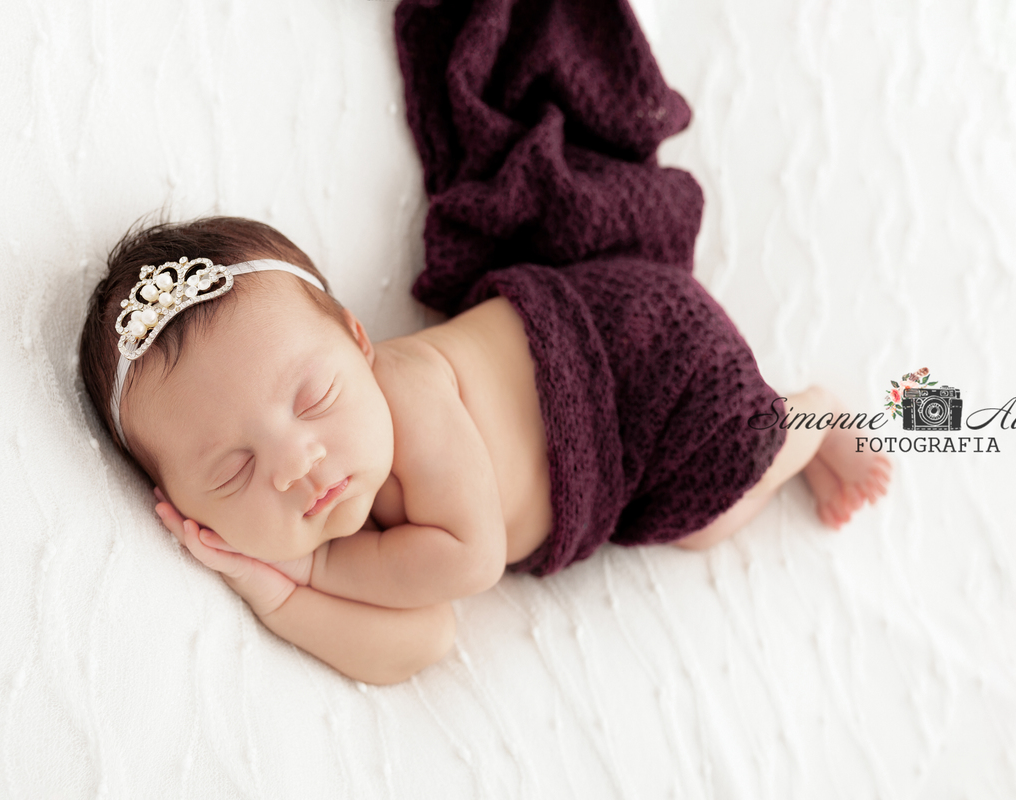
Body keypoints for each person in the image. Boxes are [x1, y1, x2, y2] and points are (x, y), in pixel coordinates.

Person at [78, 215, 890, 685]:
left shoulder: (406, 390)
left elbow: (471, 560)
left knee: (707, 524)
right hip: (598, 454)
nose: (297, 463)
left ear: (359, 343)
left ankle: (812, 417)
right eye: (232, 471)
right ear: (182, 506)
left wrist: (317, 569)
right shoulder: (333, 512)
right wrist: (273, 594)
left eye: (314, 397)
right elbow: (422, 643)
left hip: (633, 357)